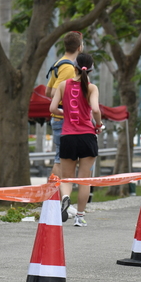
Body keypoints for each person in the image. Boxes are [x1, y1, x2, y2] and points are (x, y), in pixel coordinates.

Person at [49, 53, 103, 227]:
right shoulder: (91, 87)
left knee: (66, 178)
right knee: (84, 179)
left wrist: (66, 113)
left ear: (75, 67)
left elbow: (52, 108)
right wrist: (98, 124)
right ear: (91, 69)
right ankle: (80, 216)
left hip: (68, 136)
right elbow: (95, 109)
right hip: (87, 136)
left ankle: (65, 198)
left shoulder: (63, 85)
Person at [45, 31, 84, 182]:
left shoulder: (58, 63)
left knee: (60, 158)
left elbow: (47, 91)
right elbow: (54, 92)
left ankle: (54, 194)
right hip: (63, 119)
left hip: (58, 118)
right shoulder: (68, 68)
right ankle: (53, 194)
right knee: (60, 160)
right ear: (79, 47)